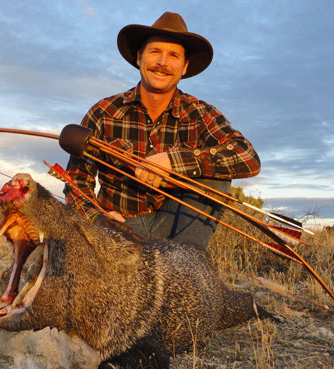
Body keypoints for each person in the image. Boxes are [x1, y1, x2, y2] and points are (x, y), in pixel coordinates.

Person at [64, 11, 260, 249]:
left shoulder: (200, 113)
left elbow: (247, 157)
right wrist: (98, 219)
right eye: (155, 52)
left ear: (184, 66)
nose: (162, 63)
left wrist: (172, 162)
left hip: (176, 230)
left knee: (217, 180)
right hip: (122, 225)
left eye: (173, 55)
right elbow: (76, 181)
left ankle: (184, 268)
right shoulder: (104, 111)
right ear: (139, 57)